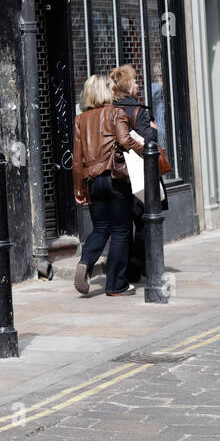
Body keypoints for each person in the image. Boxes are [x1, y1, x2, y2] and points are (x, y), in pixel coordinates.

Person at [72, 73, 142, 296]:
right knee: (121, 230)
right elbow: (123, 140)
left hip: (93, 181)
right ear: (106, 92)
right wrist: (142, 147)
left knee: (101, 227)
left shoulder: (80, 119)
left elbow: (77, 159)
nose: (113, 93)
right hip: (115, 178)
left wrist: (78, 189)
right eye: (111, 89)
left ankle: (85, 262)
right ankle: (116, 284)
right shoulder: (116, 113)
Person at [109, 63, 167, 283]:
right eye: (134, 81)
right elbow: (148, 142)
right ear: (127, 86)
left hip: (116, 172)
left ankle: (123, 271)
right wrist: (152, 128)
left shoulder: (111, 109)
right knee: (144, 221)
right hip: (138, 172)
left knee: (122, 224)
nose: (137, 85)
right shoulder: (138, 110)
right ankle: (139, 267)